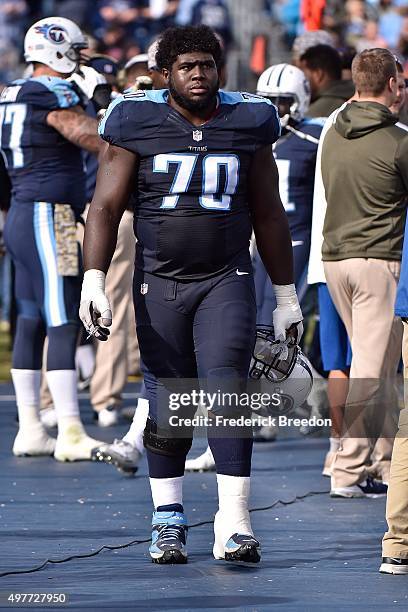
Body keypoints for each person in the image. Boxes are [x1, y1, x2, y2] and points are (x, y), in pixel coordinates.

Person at [80, 25, 303, 564]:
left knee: (228, 389)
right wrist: (93, 277)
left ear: (219, 69)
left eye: (206, 64)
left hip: (227, 276)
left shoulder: (249, 120)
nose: (198, 75)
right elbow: (105, 208)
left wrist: (287, 294)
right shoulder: (134, 120)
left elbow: (270, 212)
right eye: (185, 67)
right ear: (164, 74)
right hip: (160, 280)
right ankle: (168, 516)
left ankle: (234, 521)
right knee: (169, 396)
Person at [186, 63, 323, 465]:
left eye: (284, 101)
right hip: (256, 246)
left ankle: (285, 405)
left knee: (277, 331)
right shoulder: (249, 138)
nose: (278, 109)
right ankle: (271, 409)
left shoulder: (314, 137)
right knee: (257, 332)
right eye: (271, 101)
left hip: (296, 243)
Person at [1, 17, 105, 461]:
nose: (81, 60)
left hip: (22, 212)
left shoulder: (10, 92)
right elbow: (88, 136)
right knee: (63, 318)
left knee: (29, 319)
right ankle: (71, 431)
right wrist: (103, 111)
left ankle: (30, 428)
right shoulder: (52, 92)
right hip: (50, 215)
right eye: (77, 51)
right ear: (59, 49)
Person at [321, 48, 408, 498]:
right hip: (381, 261)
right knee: (372, 372)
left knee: (380, 366)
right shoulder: (398, 141)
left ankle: (386, 460)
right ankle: (347, 468)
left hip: (336, 260)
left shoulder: (332, 134)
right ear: (392, 83)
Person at [299, 44, 354, 118]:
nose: (300, 80)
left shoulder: (314, 115)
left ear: (318, 74)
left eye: (303, 74)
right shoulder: (359, 96)